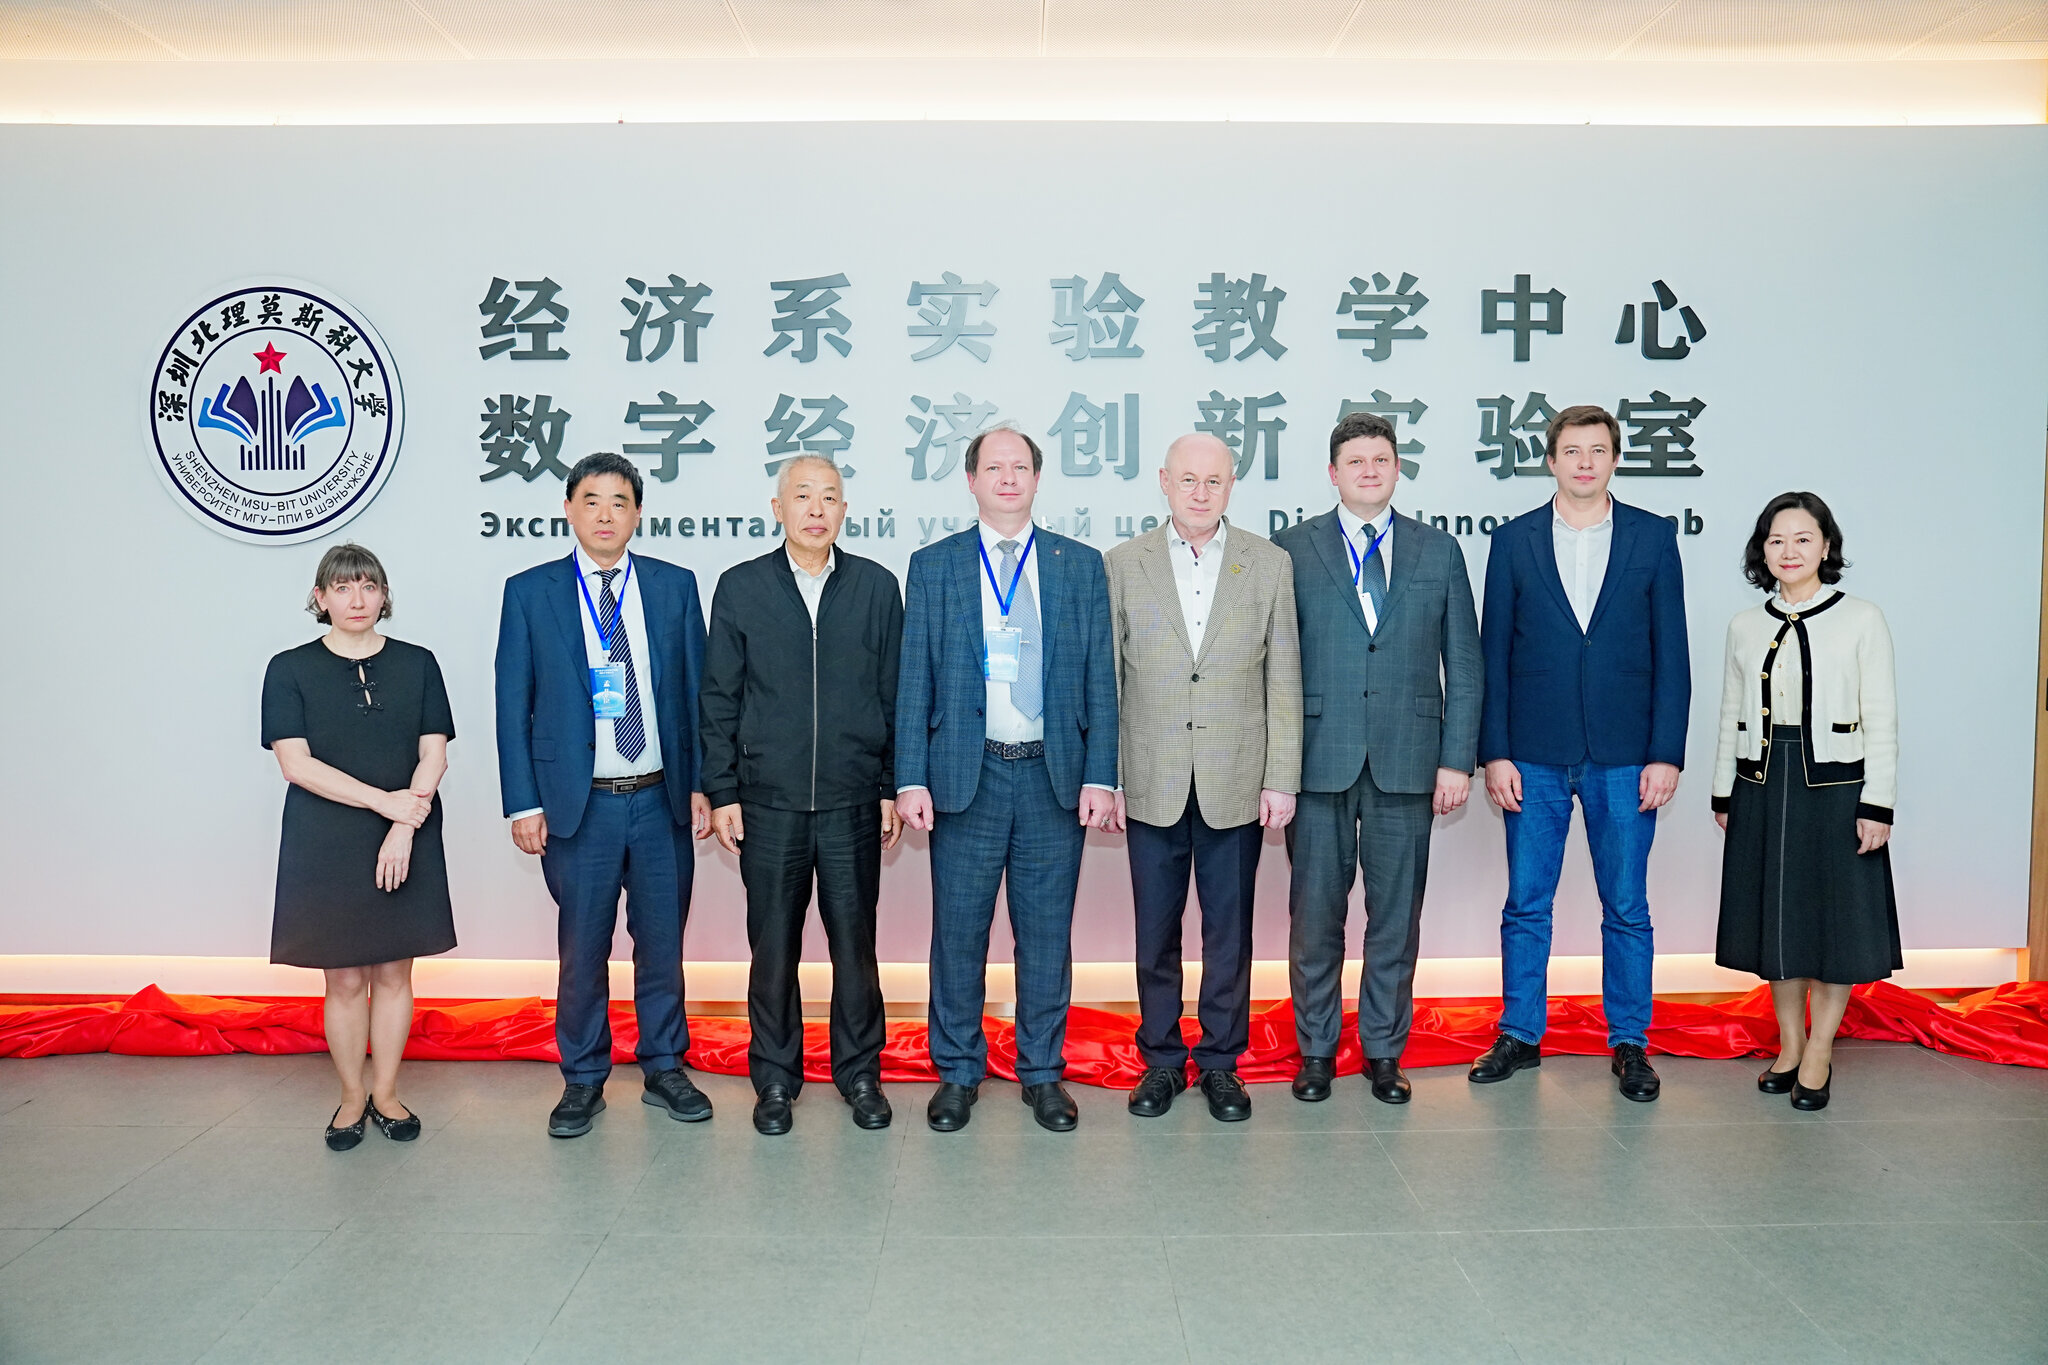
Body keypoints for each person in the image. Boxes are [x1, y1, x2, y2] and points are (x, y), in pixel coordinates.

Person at [895, 427, 1119, 1133]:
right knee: (958, 934)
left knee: (1046, 936)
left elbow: (1101, 677)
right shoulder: (934, 566)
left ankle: (1042, 1072)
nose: (1008, 477)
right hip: (967, 775)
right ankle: (958, 1070)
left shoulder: (1079, 565)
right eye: (994, 467)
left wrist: (1101, 775)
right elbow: (913, 679)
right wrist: (909, 778)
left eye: (1020, 466)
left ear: (1037, 478)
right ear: (972, 480)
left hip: (1053, 775)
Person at [1474, 405, 1689, 1102]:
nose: (1586, 462)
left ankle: (1630, 1041)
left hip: (1626, 754)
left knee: (1626, 904)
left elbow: (1673, 653)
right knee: (1526, 903)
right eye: (1572, 451)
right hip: (1532, 752)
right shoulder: (1514, 540)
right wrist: (1494, 752)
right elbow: (1492, 654)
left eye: (1598, 450)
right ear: (1551, 461)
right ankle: (1520, 1033)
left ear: (1615, 459)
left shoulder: (1653, 537)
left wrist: (1667, 753)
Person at [496, 452, 714, 1138]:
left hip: (659, 800)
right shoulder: (530, 592)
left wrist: (705, 785)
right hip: (578, 805)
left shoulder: (675, 586)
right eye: (591, 500)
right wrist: (523, 802)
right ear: (569, 509)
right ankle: (583, 1077)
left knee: (662, 945)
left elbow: (699, 695)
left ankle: (665, 1065)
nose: (605, 514)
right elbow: (512, 703)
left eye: (620, 502)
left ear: (638, 513)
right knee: (582, 949)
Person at [1275, 412, 1483, 1105]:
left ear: (1397, 468)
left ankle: (1385, 1053)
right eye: (1355, 461)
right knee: (1315, 918)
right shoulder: (1291, 549)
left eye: (1381, 459)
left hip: (1409, 760)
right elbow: (1272, 664)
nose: (1369, 470)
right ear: (1332, 474)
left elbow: (1465, 664)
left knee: (1396, 918)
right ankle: (1315, 1050)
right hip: (1316, 760)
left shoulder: (1438, 550)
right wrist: (1276, 767)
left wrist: (1456, 760)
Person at [701, 454, 905, 1135]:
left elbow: (894, 696)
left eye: (829, 497)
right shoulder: (741, 587)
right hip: (768, 802)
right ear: (778, 507)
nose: (816, 509)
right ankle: (774, 1078)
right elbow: (720, 698)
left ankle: (860, 1072)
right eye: (803, 496)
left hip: (853, 801)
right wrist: (722, 790)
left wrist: (888, 785)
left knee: (856, 948)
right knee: (773, 950)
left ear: (844, 510)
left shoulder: (876, 587)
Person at [1106, 433, 1302, 1122]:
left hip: (1237, 779)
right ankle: (1161, 1058)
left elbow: (1284, 678)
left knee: (1229, 934)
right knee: (1154, 932)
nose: (1199, 492)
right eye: (1187, 479)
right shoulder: (1123, 564)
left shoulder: (1268, 563)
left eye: (1213, 481)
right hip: (1150, 777)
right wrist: (1109, 778)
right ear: (1163, 481)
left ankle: (1221, 1062)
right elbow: (1110, 681)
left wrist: (1281, 777)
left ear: (1230, 486)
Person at [262, 543, 453, 1151]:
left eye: (369, 586)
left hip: (408, 831)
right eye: (342, 588)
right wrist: (383, 803)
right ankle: (350, 1097)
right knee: (343, 979)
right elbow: (296, 765)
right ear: (320, 598)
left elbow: (434, 753)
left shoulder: (418, 662)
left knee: (395, 972)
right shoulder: (289, 668)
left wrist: (404, 823)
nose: (357, 599)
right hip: (327, 838)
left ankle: (387, 1093)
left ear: (384, 595)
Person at [1712, 492, 1898, 1112]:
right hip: (1762, 783)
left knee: (1834, 924)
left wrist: (1878, 804)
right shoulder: (1745, 625)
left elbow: (1882, 718)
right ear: (1761, 551)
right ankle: (1789, 1045)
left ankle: (1820, 1050)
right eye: (1775, 540)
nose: (1788, 551)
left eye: (1802, 538)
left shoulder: (1862, 618)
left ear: (1826, 546)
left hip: (1838, 789)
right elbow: (1730, 715)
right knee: (1778, 921)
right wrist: (1724, 791)